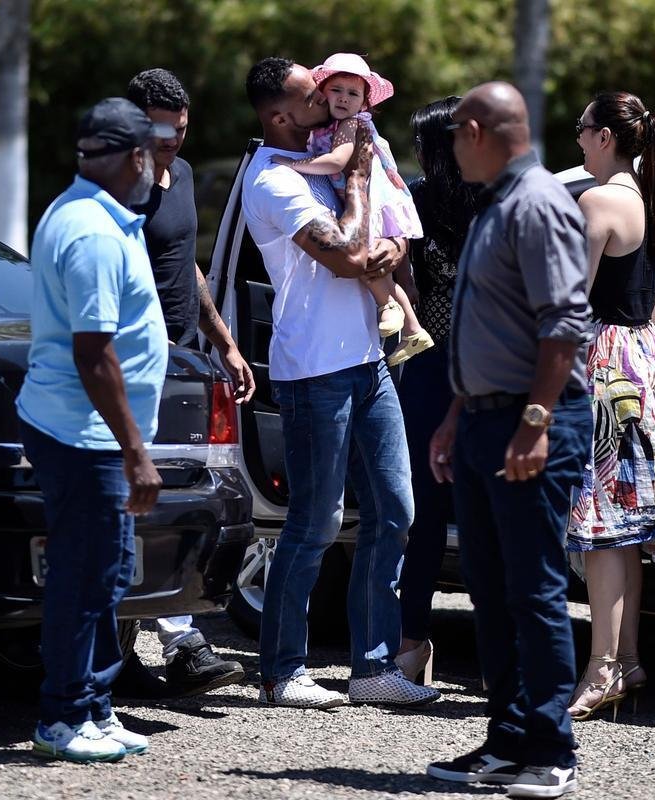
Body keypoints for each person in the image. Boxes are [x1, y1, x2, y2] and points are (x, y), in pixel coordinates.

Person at [241, 56, 439, 709]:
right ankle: (281, 671)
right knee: (315, 522)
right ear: (279, 116)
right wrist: (355, 185)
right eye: (311, 96)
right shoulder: (275, 179)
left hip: (368, 360)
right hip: (313, 371)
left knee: (395, 510)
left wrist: (392, 246)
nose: (327, 102)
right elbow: (348, 253)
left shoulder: (332, 153)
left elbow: (383, 236)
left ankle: (372, 669)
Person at [425, 82, 592, 799]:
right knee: (491, 593)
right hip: (483, 421)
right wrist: (456, 416)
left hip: (529, 423)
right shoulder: (498, 202)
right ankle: (508, 739)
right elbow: (493, 328)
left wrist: (534, 423)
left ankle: (552, 750)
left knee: (534, 590)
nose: (450, 153)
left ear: (474, 131)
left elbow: (564, 324)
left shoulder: (538, 203)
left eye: (453, 139)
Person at [16, 97, 175, 762]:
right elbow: (93, 353)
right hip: (86, 436)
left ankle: (94, 708)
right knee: (86, 577)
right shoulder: (94, 234)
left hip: (89, 430)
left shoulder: (95, 215)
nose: (157, 166)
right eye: (152, 153)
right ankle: (62, 717)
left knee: (104, 575)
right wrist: (135, 450)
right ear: (134, 157)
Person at [118, 67, 251, 698]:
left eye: (180, 128)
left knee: (171, 497)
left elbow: (183, 265)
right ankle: (169, 643)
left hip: (182, 363)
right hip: (127, 364)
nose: (171, 139)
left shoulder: (186, 175)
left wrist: (224, 342)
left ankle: (159, 645)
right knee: (134, 498)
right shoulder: (116, 188)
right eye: (159, 128)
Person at [566, 91, 655, 721]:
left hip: (605, 367)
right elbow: (654, 306)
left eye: (583, 129)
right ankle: (628, 659)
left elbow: (571, 301)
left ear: (606, 137)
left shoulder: (598, 201)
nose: (578, 139)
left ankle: (601, 669)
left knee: (601, 533)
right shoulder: (651, 198)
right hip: (646, 365)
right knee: (627, 531)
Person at [394, 96, 481, 685]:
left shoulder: (427, 198)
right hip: (460, 363)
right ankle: (424, 640)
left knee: (448, 512)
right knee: (447, 511)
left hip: (454, 365)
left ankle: (424, 643)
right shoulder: (423, 199)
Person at [271, 53, 433, 367]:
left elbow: (336, 162)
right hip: (364, 199)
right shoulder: (330, 127)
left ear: (364, 104)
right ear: (322, 93)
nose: (344, 98)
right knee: (376, 259)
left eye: (353, 94)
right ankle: (413, 329)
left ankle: (387, 306)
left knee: (364, 256)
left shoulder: (349, 125)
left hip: (369, 200)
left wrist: (293, 164)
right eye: (336, 90)